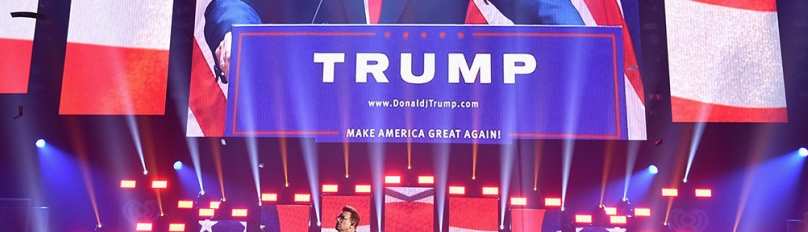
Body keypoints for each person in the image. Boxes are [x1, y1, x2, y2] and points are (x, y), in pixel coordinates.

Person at [204, 0, 585, 79]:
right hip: (317, 127)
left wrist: (585, 45)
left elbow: (544, 5)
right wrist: (237, 36)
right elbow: (234, 3)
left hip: (432, 128)